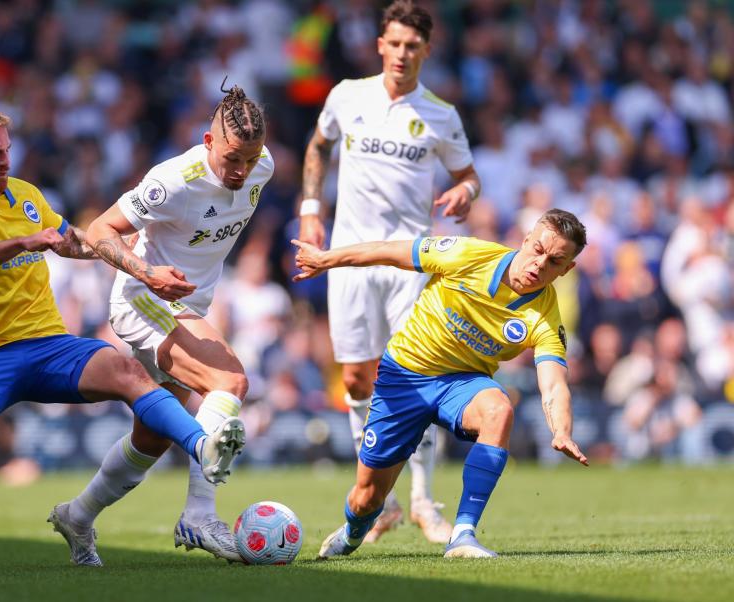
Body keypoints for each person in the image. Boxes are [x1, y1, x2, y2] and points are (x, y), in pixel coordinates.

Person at [0, 103, 244, 575]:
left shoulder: (26, 195)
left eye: (7, 150)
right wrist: (24, 242)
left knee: (127, 371)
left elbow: (76, 242)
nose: (5, 160)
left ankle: (201, 445)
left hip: (49, 345)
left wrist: (141, 267)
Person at [51, 84, 272, 564]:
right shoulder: (174, 179)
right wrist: (147, 272)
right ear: (208, 141)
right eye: (232, 159)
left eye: (250, 161)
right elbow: (103, 229)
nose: (241, 171)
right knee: (229, 381)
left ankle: (77, 515)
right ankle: (199, 514)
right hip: (144, 298)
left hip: (189, 306)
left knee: (150, 438)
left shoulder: (263, 165)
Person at [292, 209, 590, 559]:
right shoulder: (468, 255)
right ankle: (354, 531)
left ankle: (463, 534)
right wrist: (327, 259)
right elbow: (390, 251)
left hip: (462, 383)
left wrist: (562, 430)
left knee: (499, 409)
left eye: (555, 261)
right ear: (525, 240)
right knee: (367, 497)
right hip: (405, 377)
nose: (540, 264)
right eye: (537, 250)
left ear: (566, 269)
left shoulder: (544, 317)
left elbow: (555, 383)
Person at [296, 0, 480, 544]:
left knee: (411, 379)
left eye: (412, 46)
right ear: (380, 44)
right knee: (354, 379)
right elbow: (318, 145)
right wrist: (310, 211)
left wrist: (464, 193)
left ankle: (423, 498)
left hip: (409, 260)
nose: (402, 54)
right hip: (350, 257)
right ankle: (384, 501)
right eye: (394, 43)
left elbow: (469, 175)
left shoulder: (441, 114)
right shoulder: (346, 95)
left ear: (427, 50)